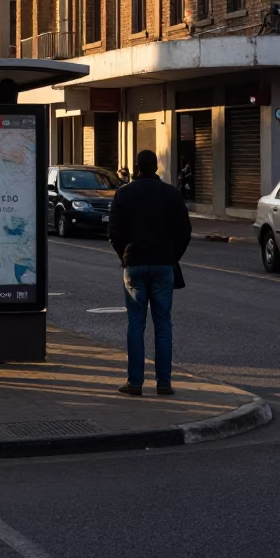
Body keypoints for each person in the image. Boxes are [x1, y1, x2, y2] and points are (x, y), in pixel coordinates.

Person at [107, 148, 192, 397]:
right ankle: (163, 383)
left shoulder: (124, 193)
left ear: (136, 167)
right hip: (164, 263)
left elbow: (113, 232)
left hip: (134, 263)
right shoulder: (171, 194)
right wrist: (172, 256)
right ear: (156, 168)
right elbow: (184, 232)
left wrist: (125, 255)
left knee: (136, 324)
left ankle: (135, 383)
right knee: (163, 323)